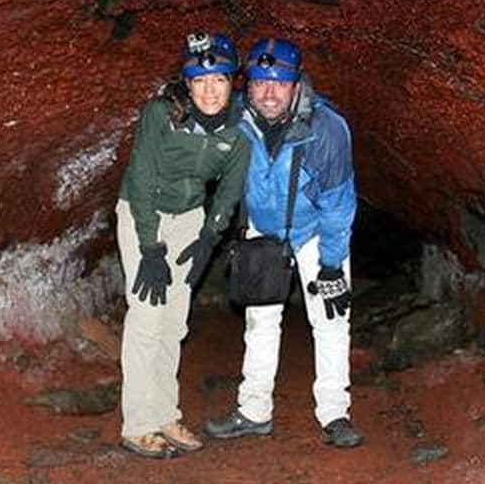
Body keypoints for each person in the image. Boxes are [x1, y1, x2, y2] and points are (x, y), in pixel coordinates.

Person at [205, 38, 363, 447]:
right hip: (264, 228)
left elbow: (338, 204)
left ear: (296, 84)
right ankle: (254, 410)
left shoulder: (326, 130)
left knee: (330, 320)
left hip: (313, 231)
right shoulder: (237, 116)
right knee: (260, 322)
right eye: (259, 83)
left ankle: (334, 414)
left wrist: (331, 265)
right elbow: (196, 119)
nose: (269, 93)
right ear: (248, 85)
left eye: (279, 83)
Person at [116, 32, 249, 458]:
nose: (210, 90)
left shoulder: (239, 127)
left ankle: (165, 413)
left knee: (174, 320)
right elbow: (140, 179)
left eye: (219, 80)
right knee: (146, 316)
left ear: (233, 82)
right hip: (144, 212)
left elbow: (231, 186)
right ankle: (138, 424)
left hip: (190, 217)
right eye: (200, 80)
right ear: (187, 84)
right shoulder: (163, 113)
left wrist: (211, 232)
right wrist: (150, 248)